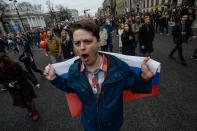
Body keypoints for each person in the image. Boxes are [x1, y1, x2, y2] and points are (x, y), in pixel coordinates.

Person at [43, 20, 154, 131]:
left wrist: (145, 78)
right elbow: (71, 87)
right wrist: (54, 79)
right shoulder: (74, 70)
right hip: (89, 126)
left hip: (113, 126)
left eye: (87, 41)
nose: (82, 47)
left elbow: (135, 85)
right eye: (77, 43)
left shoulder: (119, 67)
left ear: (98, 42)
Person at [0, 53, 39, 121]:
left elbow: (24, 73)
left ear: (4, 61)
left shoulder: (14, 64)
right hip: (14, 89)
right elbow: (1, 81)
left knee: (29, 100)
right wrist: (8, 84)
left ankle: (34, 113)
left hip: (23, 85)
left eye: (1, 63)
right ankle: (29, 109)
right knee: (23, 103)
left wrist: (35, 82)